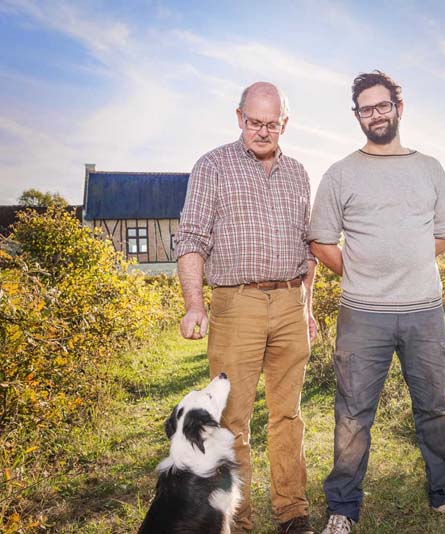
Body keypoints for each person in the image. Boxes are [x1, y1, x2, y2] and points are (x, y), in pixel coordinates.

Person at [308, 71, 445, 534]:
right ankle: (342, 511)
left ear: (398, 108)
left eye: (382, 105)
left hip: (424, 311)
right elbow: (321, 241)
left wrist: (406, 264)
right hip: (361, 315)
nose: (375, 115)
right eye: (366, 109)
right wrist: (364, 271)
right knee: (352, 414)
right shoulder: (340, 173)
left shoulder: (429, 168)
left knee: (434, 407)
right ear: (357, 116)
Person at [174, 82, 317, 534]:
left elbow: (307, 250)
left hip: (292, 301)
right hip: (237, 304)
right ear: (239, 118)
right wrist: (194, 304)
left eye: (271, 124)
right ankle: (239, 519)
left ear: (284, 124)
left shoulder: (298, 173)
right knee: (233, 419)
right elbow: (191, 238)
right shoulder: (212, 166)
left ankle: (292, 511)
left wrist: (308, 308)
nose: (261, 131)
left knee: (288, 413)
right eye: (254, 122)